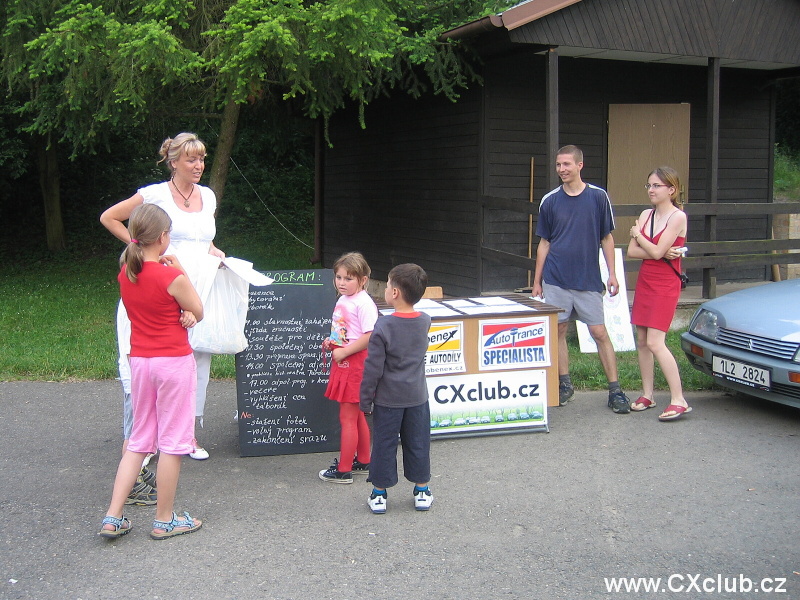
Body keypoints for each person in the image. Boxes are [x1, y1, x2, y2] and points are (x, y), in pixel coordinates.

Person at [101, 132, 225, 460]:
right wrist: (141, 249)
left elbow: (203, 236)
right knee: (152, 358)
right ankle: (144, 438)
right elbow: (109, 217)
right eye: (191, 159)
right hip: (159, 288)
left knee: (195, 360)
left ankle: (186, 434)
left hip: (196, 288)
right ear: (173, 162)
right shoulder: (155, 194)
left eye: (202, 159)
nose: (198, 165)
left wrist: (214, 250)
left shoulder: (208, 195)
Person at [98, 204, 203, 540]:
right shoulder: (171, 277)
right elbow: (198, 308)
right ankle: (164, 519)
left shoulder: (126, 274)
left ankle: (113, 516)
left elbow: (157, 308)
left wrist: (183, 312)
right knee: (172, 442)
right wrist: (182, 275)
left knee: (139, 440)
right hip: (172, 363)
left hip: (140, 362)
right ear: (162, 237)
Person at [532, 145, 632, 414]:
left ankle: (615, 390)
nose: (561, 169)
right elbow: (544, 243)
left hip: (588, 279)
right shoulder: (550, 201)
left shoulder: (598, 197)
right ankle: (565, 384)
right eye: (558, 165)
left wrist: (612, 273)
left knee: (599, 332)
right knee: (559, 330)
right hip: (556, 279)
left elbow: (606, 238)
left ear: (579, 165)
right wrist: (537, 281)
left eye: (566, 164)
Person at [360, 263, 433, 514]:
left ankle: (379, 494)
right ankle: (422, 490)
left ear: (395, 293)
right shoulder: (425, 321)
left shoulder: (383, 326)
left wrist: (365, 399)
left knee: (384, 444)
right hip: (417, 397)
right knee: (418, 443)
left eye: (388, 285)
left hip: (388, 400)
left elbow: (373, 368)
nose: (386, 289)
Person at [627, 166, 691, 421]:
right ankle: (647, 394)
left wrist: (638, 235)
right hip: (646, 280)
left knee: (655, 342)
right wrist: (659, 250)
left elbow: (652, 251)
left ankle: (679, 399)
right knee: (642, 341)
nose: (651, 190)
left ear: (671, 190)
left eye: (656, 186)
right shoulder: (646, 214)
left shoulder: (678, 217)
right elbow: (632, 252)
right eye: (649, 185)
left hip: (665, 283)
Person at [318, 252, 378, 483]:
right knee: (357, 414)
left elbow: (370, 335)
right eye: (339, 277)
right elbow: (345, 330)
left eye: (348, 278)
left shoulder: (364, 303)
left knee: (348, 417)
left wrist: (344, 351)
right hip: (344, 359)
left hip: (355, 363)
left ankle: (343, 470)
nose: (342, 283)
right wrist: (332, 341)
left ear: (363, 280)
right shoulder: (344, 299)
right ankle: (363, 460)